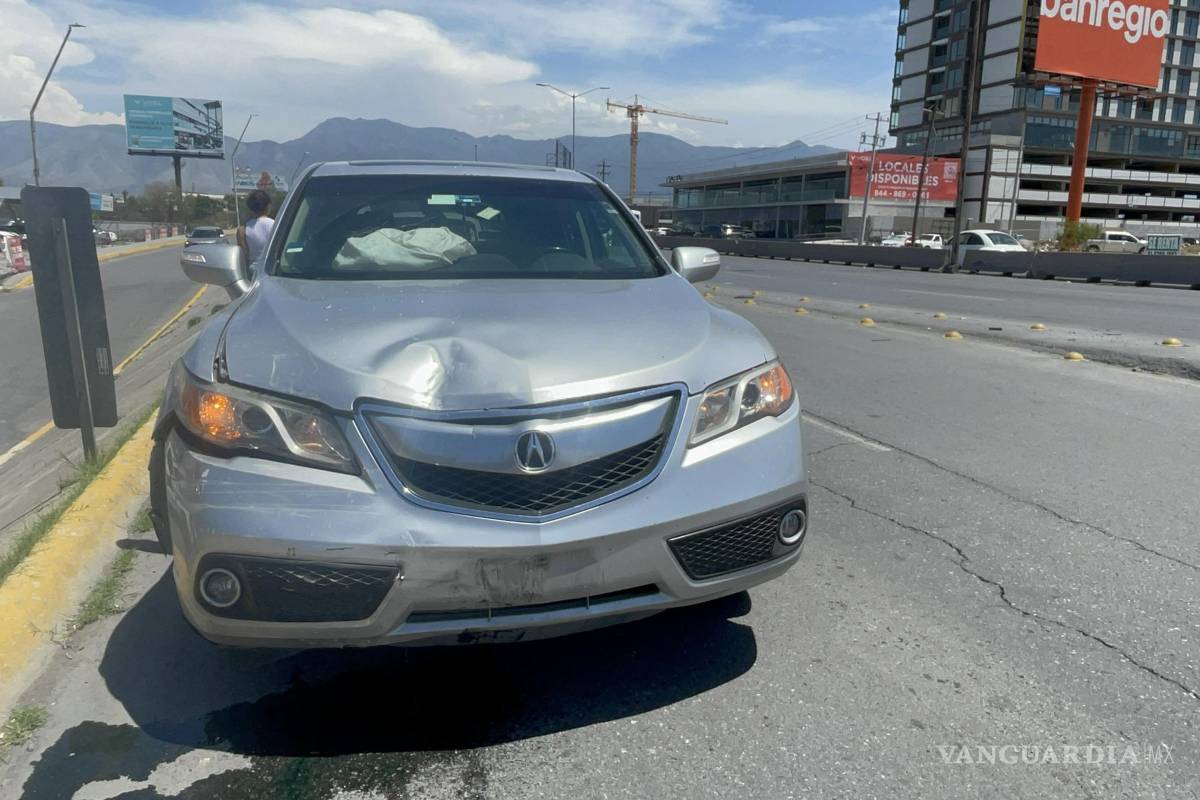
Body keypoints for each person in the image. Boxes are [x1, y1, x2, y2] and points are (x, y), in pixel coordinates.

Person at [237, 190, 275, 272]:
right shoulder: (276, 225)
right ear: (268, 206)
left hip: (253, 272)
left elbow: (244, 258)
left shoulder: (242, 230)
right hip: (273, 270)